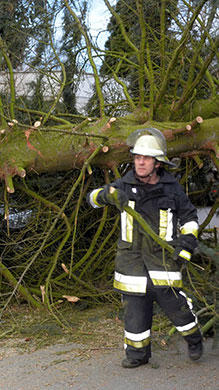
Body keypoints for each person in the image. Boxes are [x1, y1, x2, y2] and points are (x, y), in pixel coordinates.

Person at [88, 128, 203, 368]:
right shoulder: (123, 185)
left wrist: (186, 247)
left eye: (146, 158)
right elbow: (93, 198)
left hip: (163, 260)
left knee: (177, 309)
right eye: (137, 157)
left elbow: (190, 219)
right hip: (131, 262)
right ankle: (137, 355)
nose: (140, 162)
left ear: (157, 163)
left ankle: (193, 339)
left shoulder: (172, 189)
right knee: (135, 312)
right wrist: (107, 195)